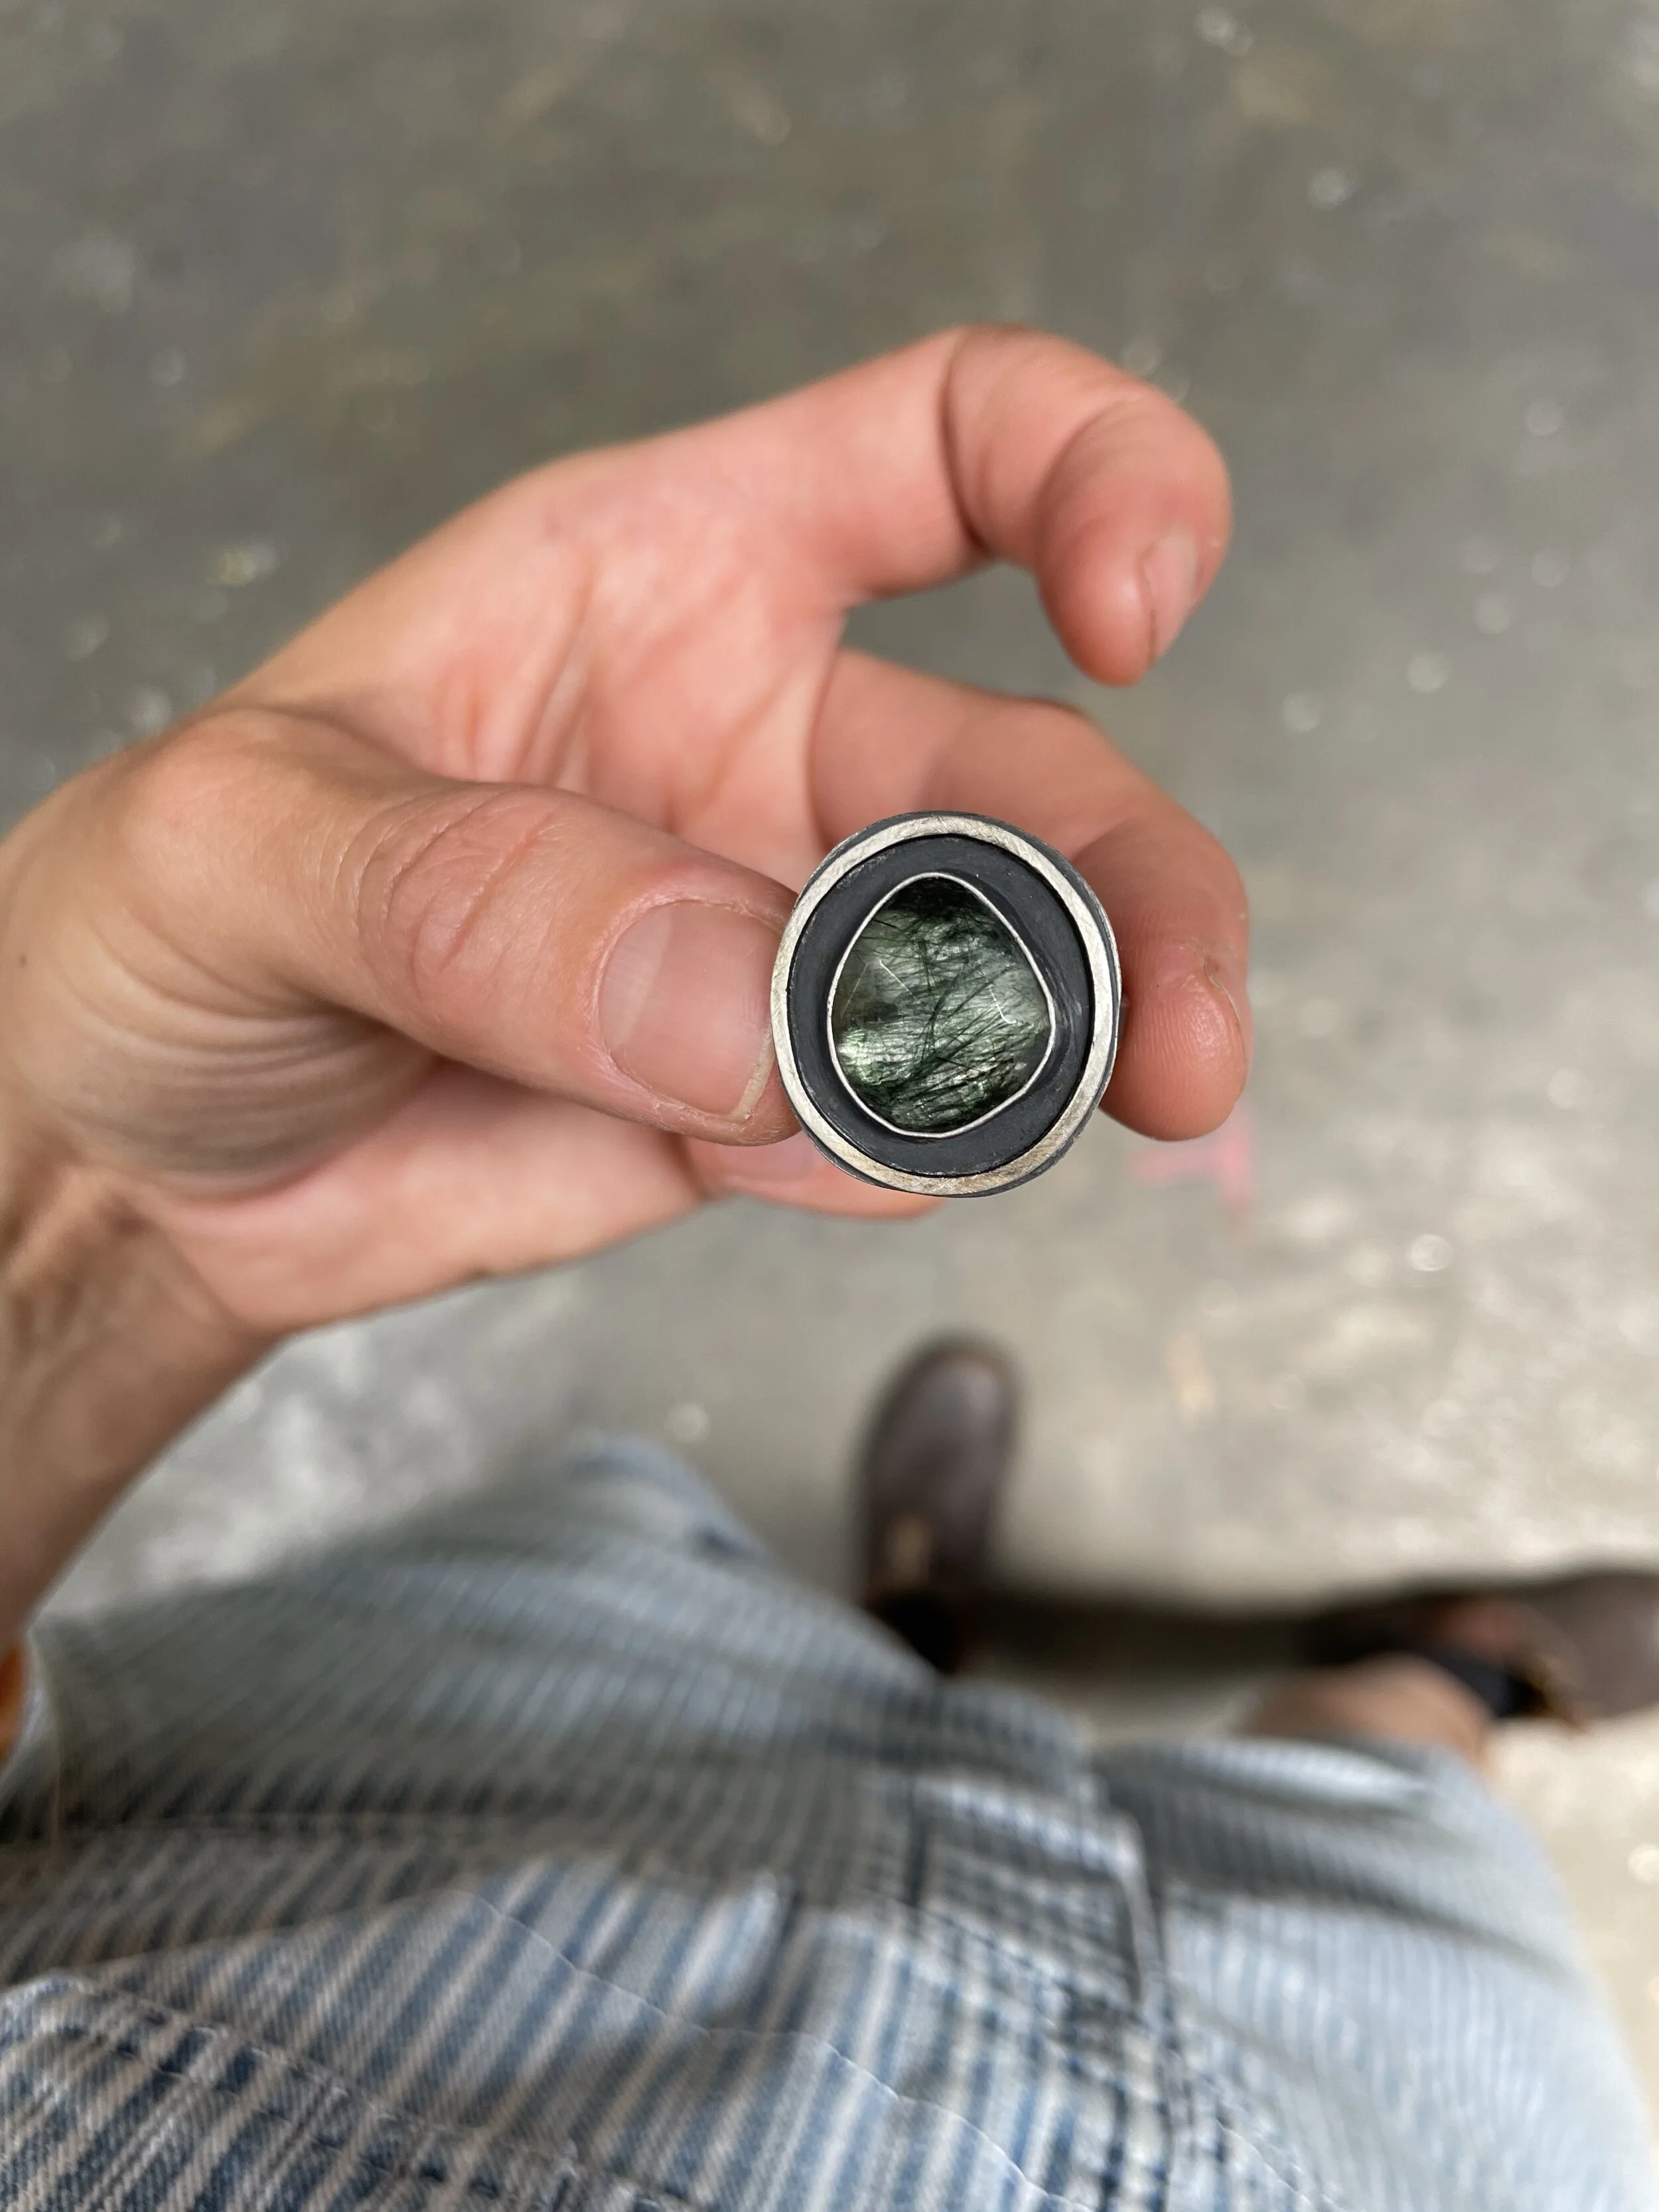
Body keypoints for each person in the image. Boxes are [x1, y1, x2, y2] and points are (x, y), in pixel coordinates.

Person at [0, 328, 1651, 2210]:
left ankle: (888, 1639)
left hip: (424, 1775)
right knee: (1402, 1843)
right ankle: (1444, 1674)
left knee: (697, 1616)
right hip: (1341, 2133)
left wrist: (84, 1234)